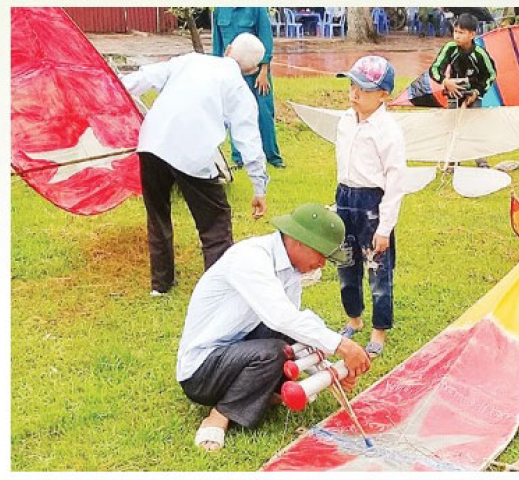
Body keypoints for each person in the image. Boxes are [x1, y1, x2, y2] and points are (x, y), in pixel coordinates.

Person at [178, 203, 371, 451]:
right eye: (321, 254)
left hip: (235, 349)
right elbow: (280, 317)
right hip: (202, 370)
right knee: (274, 351)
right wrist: (341, 345)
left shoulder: (290, 271)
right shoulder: (250, 258)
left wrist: (328, 373)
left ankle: (264, 391)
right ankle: (220, 414)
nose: (322, 264)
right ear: (298, 241)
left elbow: (293, 327)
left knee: (287, 336)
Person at [121, 33, 269, 297]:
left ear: (228, 49)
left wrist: (107, 91)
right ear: (252, 69)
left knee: (158, 214)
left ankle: (160, 285)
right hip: (192, 153)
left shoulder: (189, 61)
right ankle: (218, 290)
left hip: (152, 144)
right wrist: (259, 188)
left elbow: (142, 78)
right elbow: (249, 140)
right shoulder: (238, 88)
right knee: (215, 223)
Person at [333, 56, 407, 358]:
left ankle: (379, 329)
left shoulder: (388, 131)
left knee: (378, 269)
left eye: (362, 89)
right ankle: (354, 317)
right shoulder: (345, 120)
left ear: (383, 95)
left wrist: (384, 228)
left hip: (371, 205)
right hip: (344, 199)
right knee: (345, 265)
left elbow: (396, 180)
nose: (354, 94)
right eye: (352, 86)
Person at [212, 7, 284, 169]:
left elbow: (266, 37)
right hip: (232, 73)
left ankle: (272, 157)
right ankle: (239, 159)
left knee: (264, 113)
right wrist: (217, 72)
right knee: (234, 114)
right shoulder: (219, 10)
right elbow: (217, 45)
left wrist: (264, 71)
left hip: (257, 72)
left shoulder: (257, 8)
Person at [429, 13, 497, 167]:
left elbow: (491, 75)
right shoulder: (450, 48)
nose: (457, 36)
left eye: (461, 32)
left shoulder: (479, 54)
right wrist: (446, 82)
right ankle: (453, 161)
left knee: (475, 127)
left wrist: (476, 92)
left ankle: (481, 161)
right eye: (455, 32)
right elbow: (434, 69)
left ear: (472, 34)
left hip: (473, 95)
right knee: (453, 125)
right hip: (454, 94)